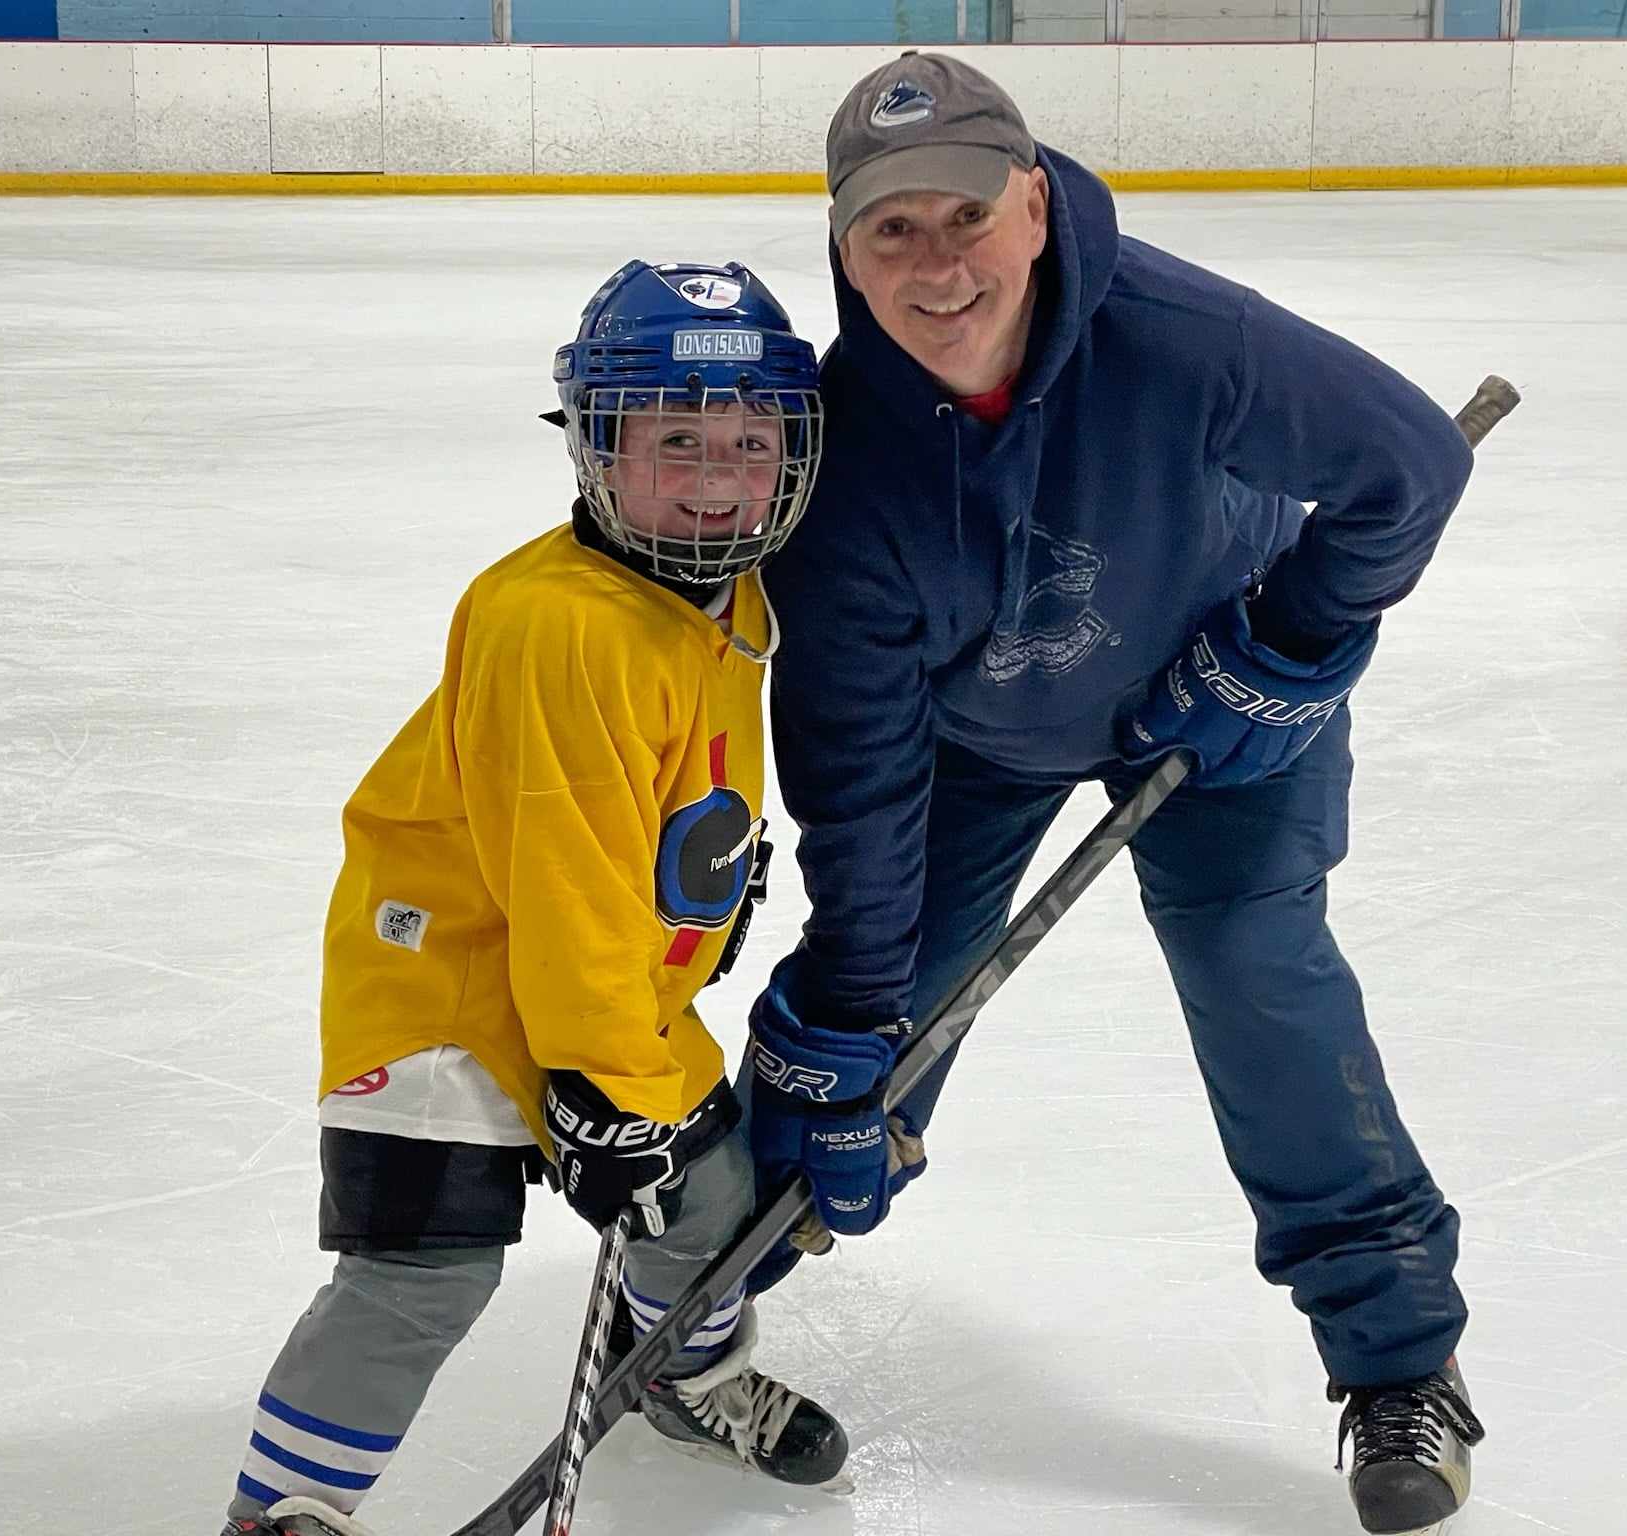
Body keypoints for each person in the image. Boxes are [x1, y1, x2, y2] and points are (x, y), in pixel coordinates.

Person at [741, 52, 1487, 1536]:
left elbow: (1406, 465)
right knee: (860, 1024)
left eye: (967, 215)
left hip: (1227, 710)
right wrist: (858, 1010)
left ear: (1033, 205)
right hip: (977, 739)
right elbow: (857, 774)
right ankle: (706, 1290)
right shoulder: (845, 464)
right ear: (843, 247)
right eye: (892, 229)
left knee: (1258, 973)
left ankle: (1400, 1360)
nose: (937, 265)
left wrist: (1289, 647)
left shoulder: (1179, 339)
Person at [218, 260, 846, 1536]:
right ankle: (283, 1510)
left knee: (708, 1210)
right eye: (674, 441)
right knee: (421, 1272)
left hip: (605, 984)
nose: (717, 476)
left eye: (749, 441)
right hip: (448, 981)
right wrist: (607, 1093)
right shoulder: (557, 623)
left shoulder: (732, 589)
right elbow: (559, 887)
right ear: (596, 449)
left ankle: (681, 1378)